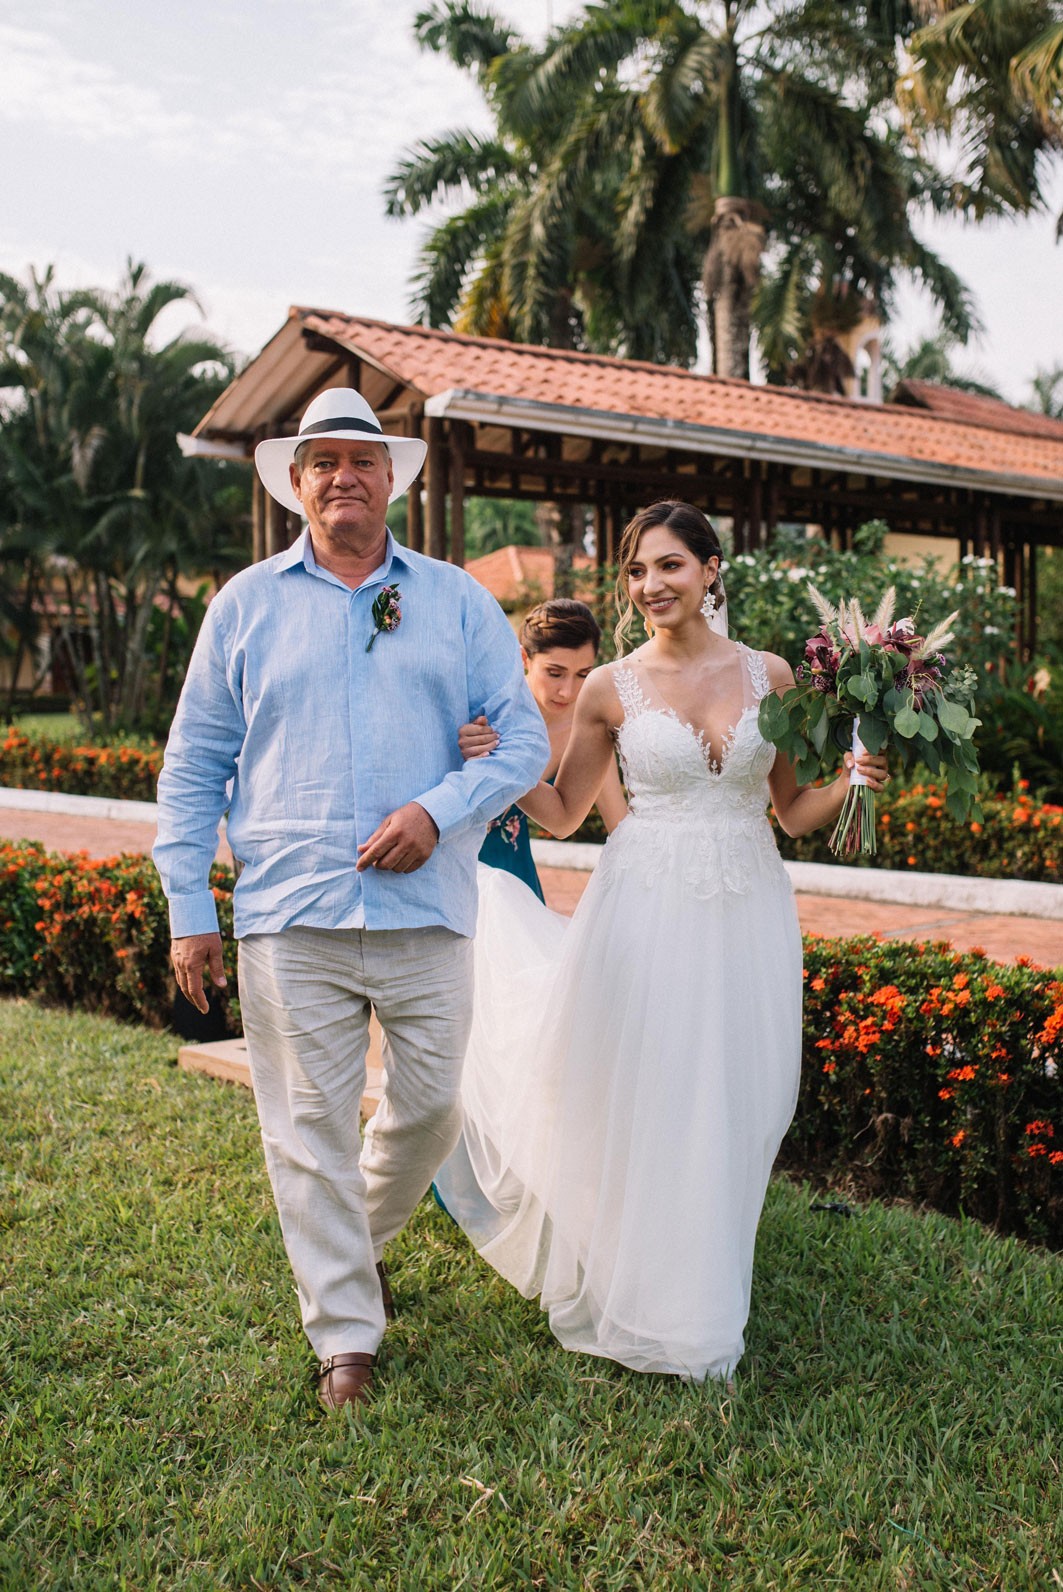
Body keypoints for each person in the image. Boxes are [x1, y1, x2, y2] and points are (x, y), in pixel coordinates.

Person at [153, 388, 548, 1412]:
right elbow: (194, 762)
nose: (342, 475)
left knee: (428, 1107)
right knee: (307, 1122)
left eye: (361, 459)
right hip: (290, 910)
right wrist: (188, 901)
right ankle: (344, 1332)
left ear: (391, 479)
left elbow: (522, 740)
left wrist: (437, 807)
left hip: (427, 908)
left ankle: (349, 1242)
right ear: (296, 483)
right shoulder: (243, 604)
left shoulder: (457, 599)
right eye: (321, 460)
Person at [433, 500, 888, 1383]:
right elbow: (563, 814)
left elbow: (793, 815)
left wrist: (853, 781)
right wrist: (495, 763)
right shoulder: (609, 686)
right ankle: (662, 1305)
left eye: (670, 566)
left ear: (712, 569)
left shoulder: (772, 675)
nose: (650, 587)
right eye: (638, 571)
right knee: (649, 1088)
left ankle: (704, 1279)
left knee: (737, 1095)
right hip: (643, 907)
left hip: (746, 905)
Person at [470, 598, 628, 899]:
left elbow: (620, 828)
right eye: (555, 673)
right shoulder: (484, 713)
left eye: (583, 674)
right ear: (524, 659)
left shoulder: (588, 732)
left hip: (516, 882)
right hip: (459, 873)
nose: (568, 691)